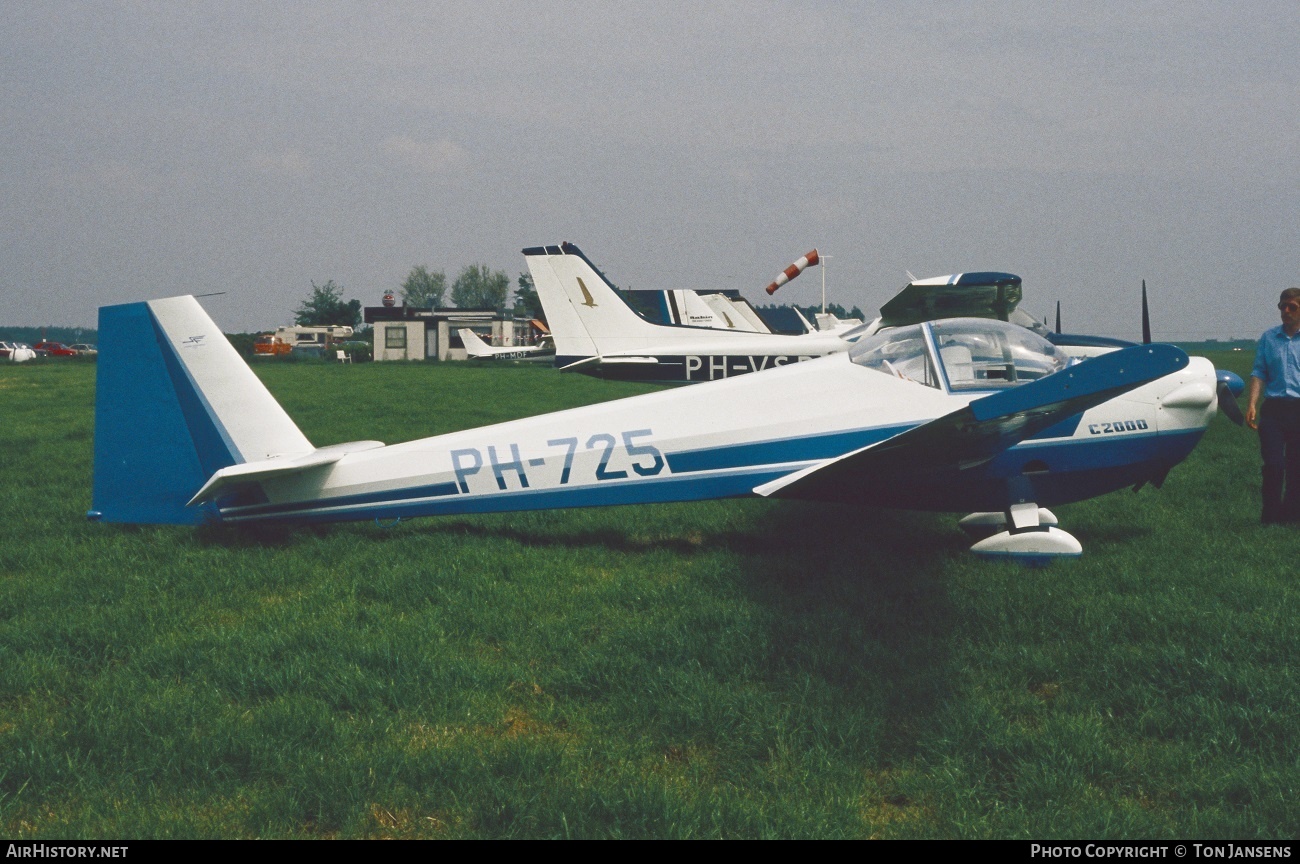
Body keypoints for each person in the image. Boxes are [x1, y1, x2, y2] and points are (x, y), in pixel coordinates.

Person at [1246, 287, 1300, 523]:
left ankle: (1292, 515)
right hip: (1274, 411)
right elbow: (1259, 371)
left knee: (1296, 468)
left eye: (1292, 307)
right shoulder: (1269, 338)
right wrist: (1252, 404)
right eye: (1282, 307)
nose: (1285, 312)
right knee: (1274, 465)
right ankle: (1270, 517)